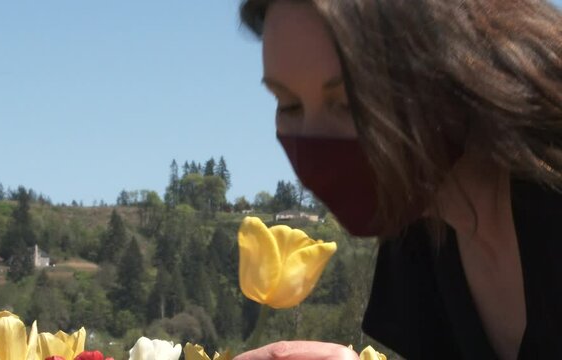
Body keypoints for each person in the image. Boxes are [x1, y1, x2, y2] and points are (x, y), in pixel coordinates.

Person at [233, 0, 562, 359]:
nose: (313, 138)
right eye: (288, 105)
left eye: (347, 102)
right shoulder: (414, 229)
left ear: (451, 69)